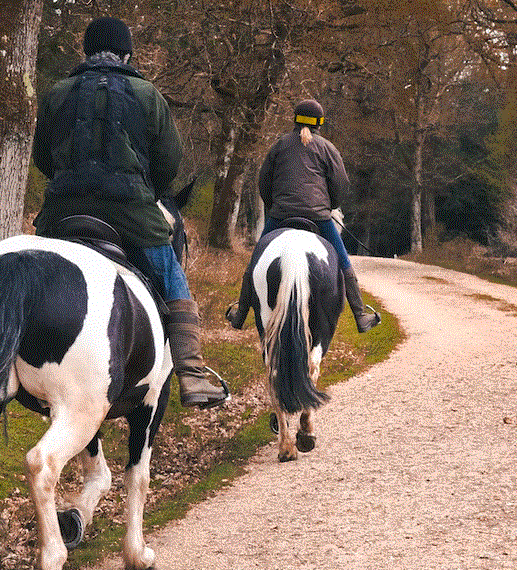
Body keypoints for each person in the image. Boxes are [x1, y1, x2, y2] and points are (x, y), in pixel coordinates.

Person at [31, 17, 227, 409]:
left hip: (61, 212)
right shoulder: (147, 94)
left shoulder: (58, 93)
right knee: (172, 278)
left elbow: (42, 157)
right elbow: (168, 162)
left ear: (86, 51)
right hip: (131, 214)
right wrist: (145, 191)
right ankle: (191, 372)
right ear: (127, 52)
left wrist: (71, 181)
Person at [226, 99, 381, 333]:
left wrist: (274, 206)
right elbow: (340, 184)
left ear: (295, 120)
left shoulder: (279, 145)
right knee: (344, 262)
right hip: (318, 218)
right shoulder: (327, 148)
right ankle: (360, 316)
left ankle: (239, 316)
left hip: (281, 216)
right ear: (320, 123)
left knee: (255, 262)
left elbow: (264, 181)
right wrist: (330, 206)